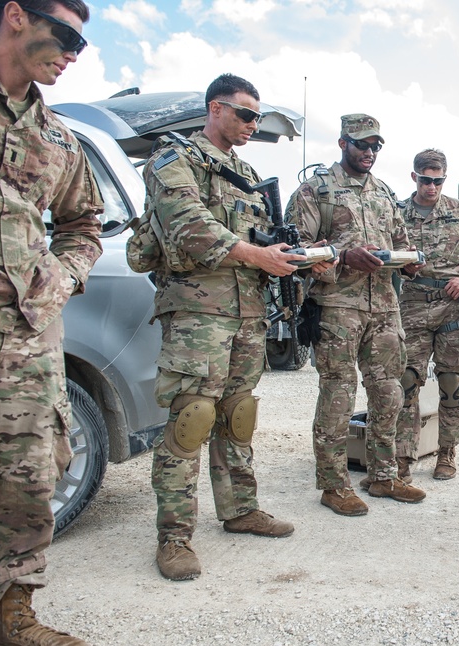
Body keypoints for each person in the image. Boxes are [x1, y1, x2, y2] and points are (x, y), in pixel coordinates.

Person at [142, 74, 302, 582]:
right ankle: (174, 536)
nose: (253, 124)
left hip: (247, 311)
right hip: (196, 313)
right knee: (191, 419)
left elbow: (261, 238)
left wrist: (290, 257)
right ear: (216, 108)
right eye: (246, 114)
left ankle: (239, 509)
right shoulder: (175, 160)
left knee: (237, 414)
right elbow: (188, 223)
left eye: (257, 116)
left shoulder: (246, 173)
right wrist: (257, 253)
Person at [0, 1, 103, 646]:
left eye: (81, 47)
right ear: (13, 15)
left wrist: (61, 279)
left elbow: (85, 223)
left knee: (29, 475)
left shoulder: (59, 139)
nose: (71, 54)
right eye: (65, 36)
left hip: (27, 335)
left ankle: (12, 616)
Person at [285, 114, 426, 516]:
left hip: (384, 305)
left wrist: (409, 261)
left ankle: (383, 475)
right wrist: (344, 257)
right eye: (362, 144)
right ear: (343, 142)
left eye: (375, 146)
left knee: (389, 392)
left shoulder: (383, 192)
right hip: (337, 307)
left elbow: (401, 241)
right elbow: (298, 252)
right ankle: (333, 485)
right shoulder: (316, 191)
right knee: (338, 395)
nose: (369, 152)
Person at [392, 149, 459, 482]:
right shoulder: (396, 214)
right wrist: (399, 264)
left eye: (437, 180)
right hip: (413, 303)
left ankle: (447, 452)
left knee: (450, 383)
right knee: (406, 383)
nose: (431, 187)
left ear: (444, 178)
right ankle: (403, 455)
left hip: (452, 305)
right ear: (414, 177)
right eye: (425, 179)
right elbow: (379, 252)